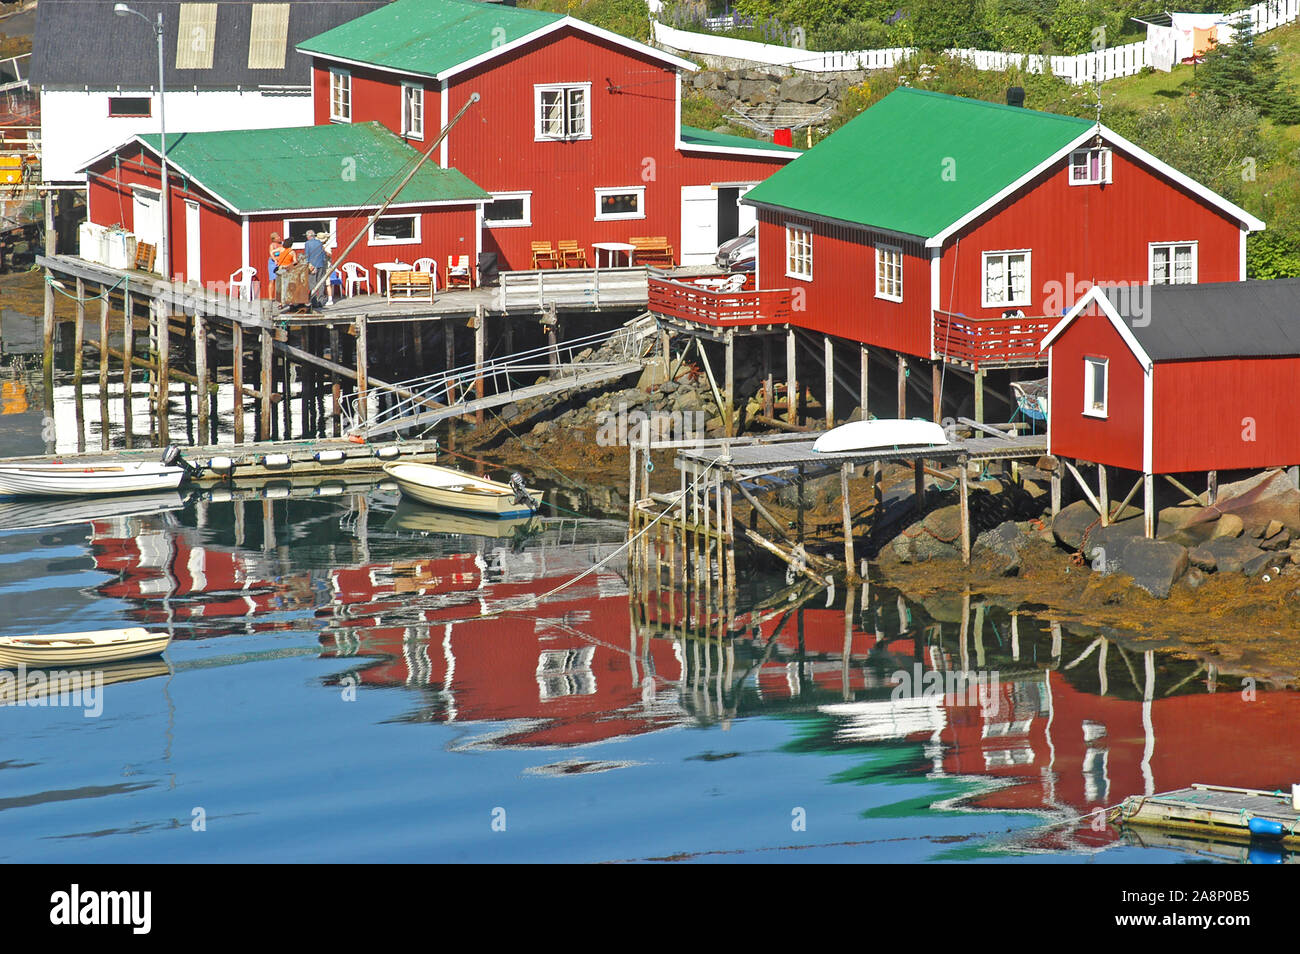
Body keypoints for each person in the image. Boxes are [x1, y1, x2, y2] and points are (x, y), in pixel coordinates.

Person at [303, 229, 329, 309]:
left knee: (312, 283)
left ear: (309, 236)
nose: (306, 237)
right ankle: (320, 300)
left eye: (307, 236)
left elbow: (307, 255)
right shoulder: (319, 243)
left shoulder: (307, 243)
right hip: (321, 265)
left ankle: (314, 301)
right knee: (320, 282)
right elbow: (323, 255)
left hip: (312, 266)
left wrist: (307, 265)